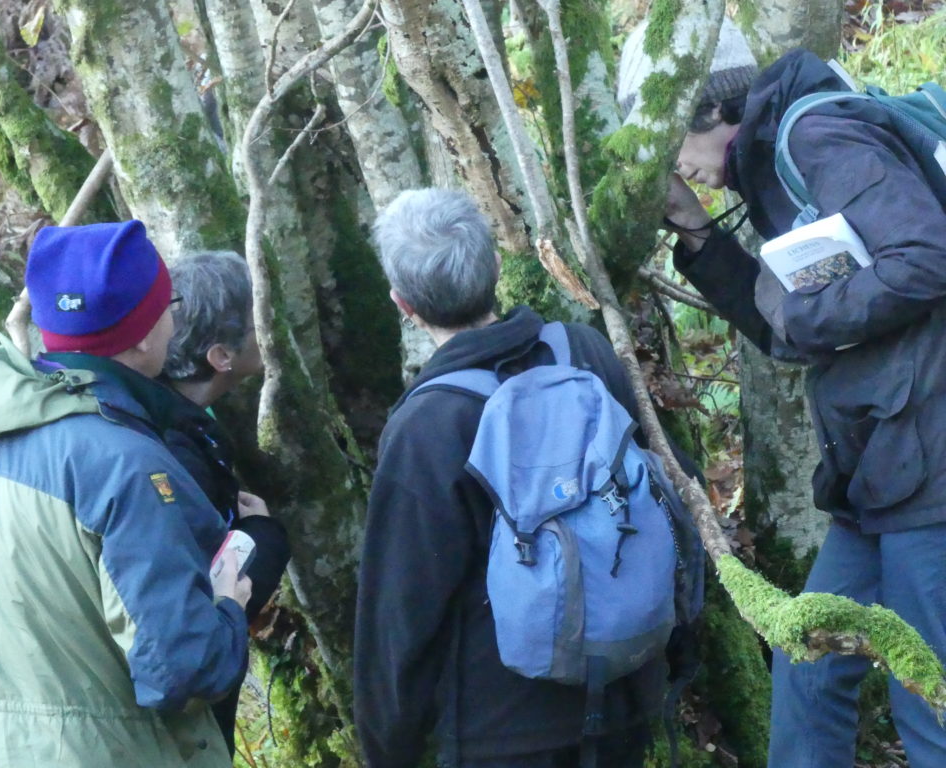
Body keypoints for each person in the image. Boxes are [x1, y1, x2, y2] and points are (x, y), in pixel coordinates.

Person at [619, 18, 946, 768]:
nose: (676, 164)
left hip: (929, 458)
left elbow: (926, 253)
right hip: (880, 464)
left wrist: (806, 313)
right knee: (806, 660)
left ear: (710, 111)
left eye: (672, 139)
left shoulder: (817, 138)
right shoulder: (770, 164)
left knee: (927, 696)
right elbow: (784, 328)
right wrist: (698, 236)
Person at [354, 188, 691, 768]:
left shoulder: (426, 427)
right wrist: (681, 655)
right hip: (623, 695)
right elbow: (667, 496)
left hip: (501, 730)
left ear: (402, 304)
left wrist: (389, 749)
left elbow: (400, 617)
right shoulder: (581, 352)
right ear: (495, 268)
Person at [0, 221, 250, 767]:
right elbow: (184, 669)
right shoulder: (125, 463)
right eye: (169, 302)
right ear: (145, 334)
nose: (173, 317)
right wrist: (228, 605)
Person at [161, 250, 291, 757]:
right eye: (259, 323)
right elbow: (207, 603)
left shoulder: (178, 418)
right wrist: (263, 539)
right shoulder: (173, 456)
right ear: (221, 357)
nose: (269, 332)